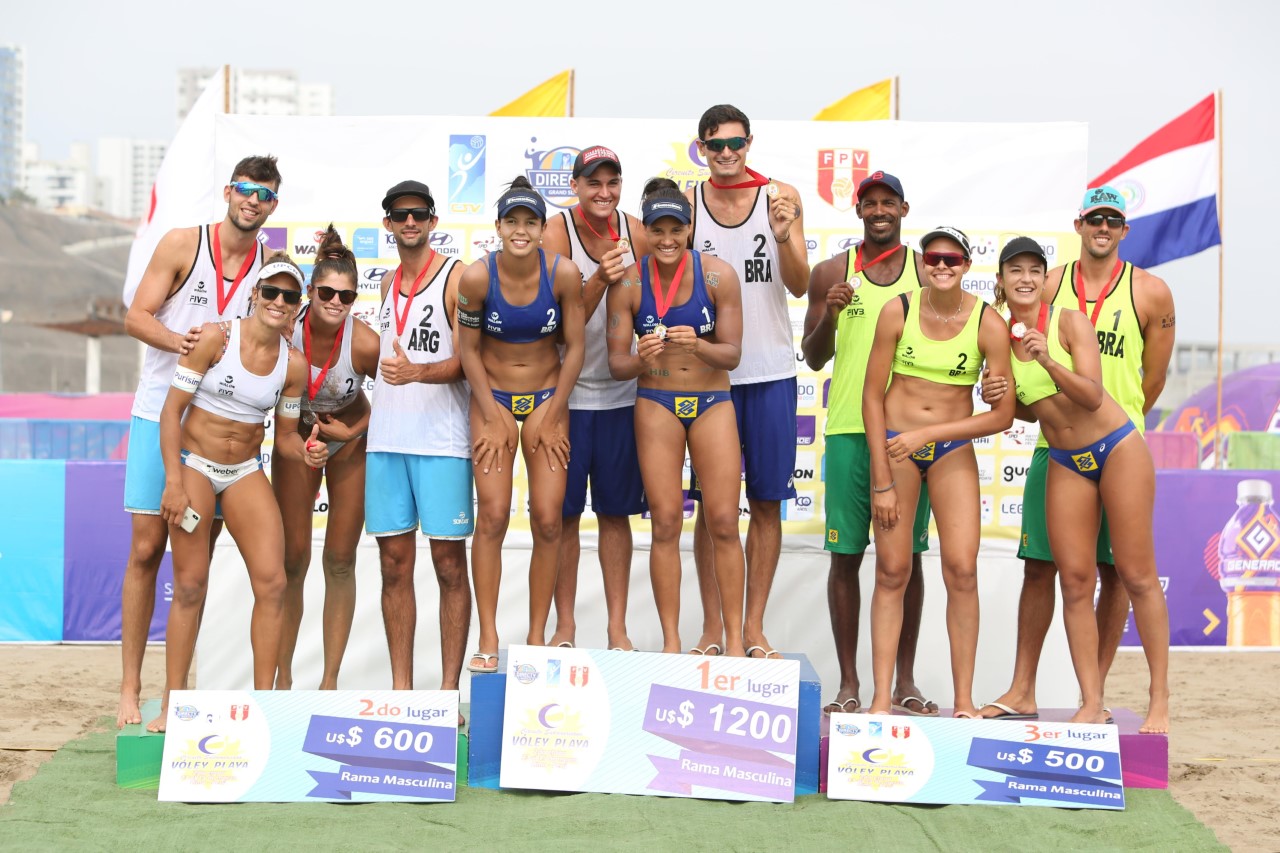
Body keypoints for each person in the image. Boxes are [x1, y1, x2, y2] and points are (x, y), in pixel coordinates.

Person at [978, 186, 1176, 721]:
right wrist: (1001, 400)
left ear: (1045, 279)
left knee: (1135, 575)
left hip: (1116, 445)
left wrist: (1047, 361)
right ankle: (1089, 702)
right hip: (1063, 457)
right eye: (1013, 271)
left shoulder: (1066, 320)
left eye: (1032, 271)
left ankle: (1159, 698)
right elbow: (1032, 408)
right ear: (999, 281)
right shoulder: (996, 331)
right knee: (1074, 580)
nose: (1024, 279)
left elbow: (1092, 393)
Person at [118, 155, 280, 727]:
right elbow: (135, 316)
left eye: (263, 194)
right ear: (229, 192)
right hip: (156, 412)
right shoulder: (183, 244)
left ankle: (178, 692)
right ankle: (130, 690)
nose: (252, 200)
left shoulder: (268, 268)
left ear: (272, 206)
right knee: (143, 549)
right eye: (245, 189)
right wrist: (179, 343)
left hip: (208, 431)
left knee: (195, 568)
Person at [150, 255, 326, 730]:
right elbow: (171, 413)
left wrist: (306, 452)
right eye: (271, 292)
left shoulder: (293, 364)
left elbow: (285, 437)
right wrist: (172, 480)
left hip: (245, 468)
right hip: (195, 467)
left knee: (273, 582)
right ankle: (172, 702)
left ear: (297, 307)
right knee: (189, 585)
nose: (279, 302)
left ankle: (263, 703)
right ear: (255, 294)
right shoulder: (216, 338)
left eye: (290, 296)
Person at [862, 226, 1016, 718]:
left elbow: (1002, 415)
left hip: (946, 449)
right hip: (896, 451)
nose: (943, 266)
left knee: (962, 571)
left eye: (952, 259)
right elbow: (870, 396)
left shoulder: (989, 323)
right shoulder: (898, 310)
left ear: (967, 265)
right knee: (892, 571)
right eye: (934, 258)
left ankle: (964, 702)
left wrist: (928, 436)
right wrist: (882, 476)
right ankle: (881, 700)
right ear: (923, 263)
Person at [800, 171, 936, 714]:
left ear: (904, 208)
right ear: (858, 211)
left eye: (888, 202)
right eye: (869, 203)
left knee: (909, 560)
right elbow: (812, 356)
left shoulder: (929, 272)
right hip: (849, 431)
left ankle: (904, 681)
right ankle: (849, 684)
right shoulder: (833, 271)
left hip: (905, 432)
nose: (879, 211)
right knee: (846, 557)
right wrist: (830, 314)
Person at [686, 104, 809, 658]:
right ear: (702, 149)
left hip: (770, 373)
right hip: (708, 377)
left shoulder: (779, 196)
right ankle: (714, 627)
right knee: (712, 510)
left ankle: (753, 627)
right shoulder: (687, 206)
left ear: (750, 142)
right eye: (717, 146)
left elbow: (801, 284)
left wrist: (783, 236)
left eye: (736, 143)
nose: (728, 154)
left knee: (763, 505)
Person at [607, 183, 745, 655]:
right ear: (645, 231)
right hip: (657, 400)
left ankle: (733, 641)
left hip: (711, 402)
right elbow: (616, 364)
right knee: (665, 523)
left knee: (724, 521)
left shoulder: (718, 275)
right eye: (658, 230)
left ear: (690, 229)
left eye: (676, 229)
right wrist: (643, 359)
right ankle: (670, 643)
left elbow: (730, 354)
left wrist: (698, 346)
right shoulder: (627, 282)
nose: (667, 239)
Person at [457, 177, 585, 672]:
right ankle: (488, 636)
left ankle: (535, 635)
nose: (521, 230)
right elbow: (467, 350)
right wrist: (491, 414)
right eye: (512, 221)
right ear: (498, 226)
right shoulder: (476, 277)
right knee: (491, 516)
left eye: (530, 222)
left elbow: (575, 347)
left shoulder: (563, 274)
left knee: (549, 518)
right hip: (493, 399)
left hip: (548, 396)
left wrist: (553, 413)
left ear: (541, 228)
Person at [366, 180, 473, 697]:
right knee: (393, 566)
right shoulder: (385, 283)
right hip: (387, 441)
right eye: (400, 215)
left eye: (419, 214)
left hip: (442, 442)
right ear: (387, 223)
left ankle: (449, 692)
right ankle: (402, 692)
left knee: (450, 565)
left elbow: (472, 362)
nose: (410, 222)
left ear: (433, 221)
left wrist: (419, 374)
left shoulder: (456, 278)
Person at [541, 146, 648, 651]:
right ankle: (565, 628)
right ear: (576, 187)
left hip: (623, 395)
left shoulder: (637, 232)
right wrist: (599, 281)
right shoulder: (556, 231)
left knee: (615, 513)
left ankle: (617, 628)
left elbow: (656, 303)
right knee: (562, 518)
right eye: (593, 183)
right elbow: (560, 324)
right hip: (564, 395)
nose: (604, 193)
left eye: (613, 182)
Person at [273, 226, 380, 689]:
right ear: (309, 292)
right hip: (296, 438)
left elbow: (394, 407)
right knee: (292, 561)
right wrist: (300, 445)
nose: (337, 302)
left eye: (347, 295)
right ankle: (282, 679)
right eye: (327, 292)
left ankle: (330, 682)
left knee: (340, 559)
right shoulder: (285, 332)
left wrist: (352, 430)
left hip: (347, 440)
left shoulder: (365, 343)